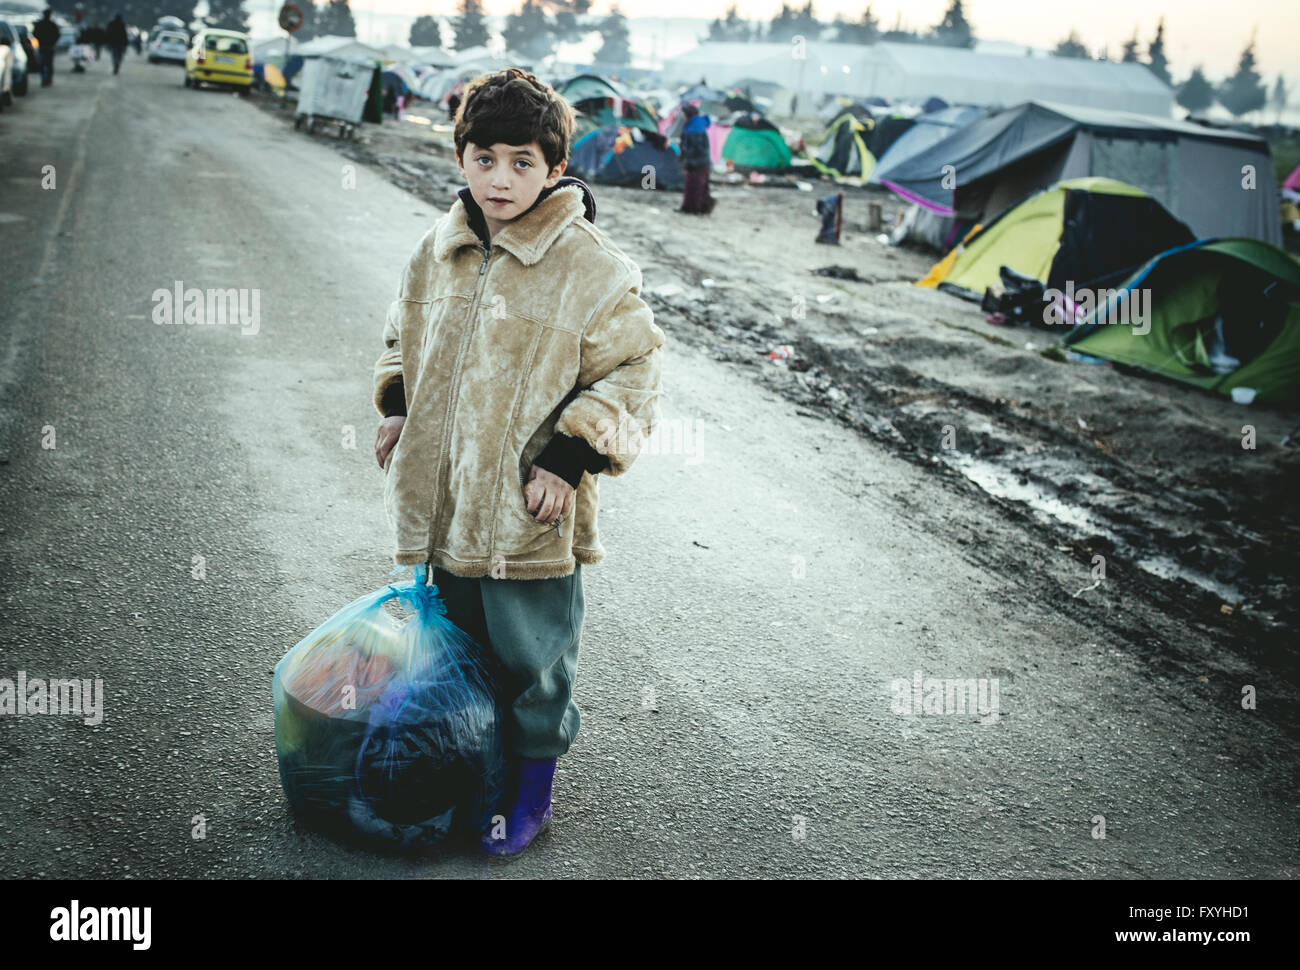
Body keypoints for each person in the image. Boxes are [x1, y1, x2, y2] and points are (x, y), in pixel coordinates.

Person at [371, 68, 663, 859]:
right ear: (460, 157)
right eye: (486, 157)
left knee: (532, 661)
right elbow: (401, 334)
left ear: (556, 168)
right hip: (447, 502)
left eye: (524, 162)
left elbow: (636, 375)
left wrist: (568, 459)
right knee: (456, 653)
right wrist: (397, 405)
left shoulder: (592, 268)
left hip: (529, 514)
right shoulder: (438, 251)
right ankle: (473, 769)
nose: (502, 179)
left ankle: (530, 792)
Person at [678, 103, 715, 215]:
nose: (682, 116)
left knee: (693, 186)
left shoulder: (694, 127)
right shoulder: (696, 124)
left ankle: (691, 209)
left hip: (697, 162)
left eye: (683, 113)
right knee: (701, 186)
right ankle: (703, 207)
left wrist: (688, 160)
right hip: (703, 162)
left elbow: (695, 148)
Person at [32, 9, 59, 87]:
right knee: (48, 64)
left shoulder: (40, 24)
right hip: (49, 47)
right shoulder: (52, 25)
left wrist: (40, 40)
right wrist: (53, 42)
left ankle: (45, 79)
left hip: (43, 46)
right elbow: (57, 35)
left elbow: (35, 33)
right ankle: (48, 79)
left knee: (43, 64)